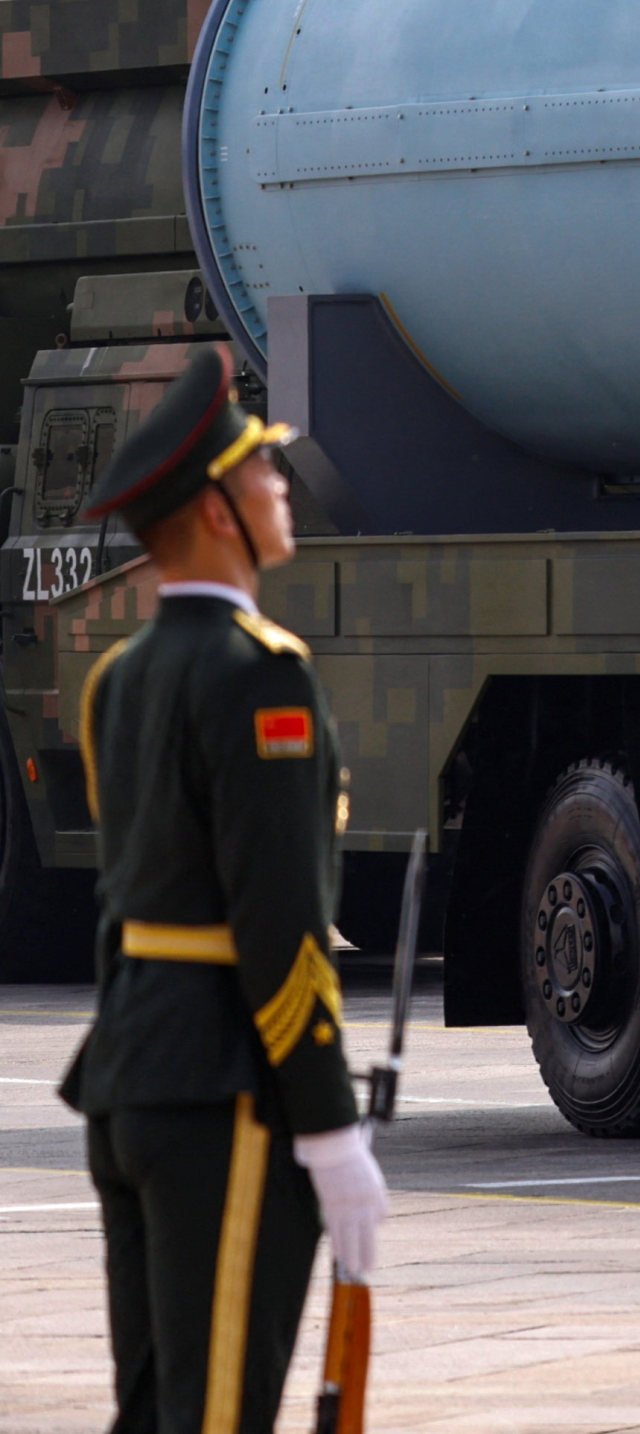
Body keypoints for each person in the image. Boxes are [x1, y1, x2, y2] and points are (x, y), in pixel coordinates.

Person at [60, 351, 386, 1434]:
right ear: (214, 511)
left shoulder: (120, 676)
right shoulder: (259, 676)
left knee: (156, 1409)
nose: (282, 488)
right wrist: (330, 1127)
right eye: (262, 474)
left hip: (131, 1082)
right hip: (224, 1094)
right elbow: (280, 925)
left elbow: (126, 900)